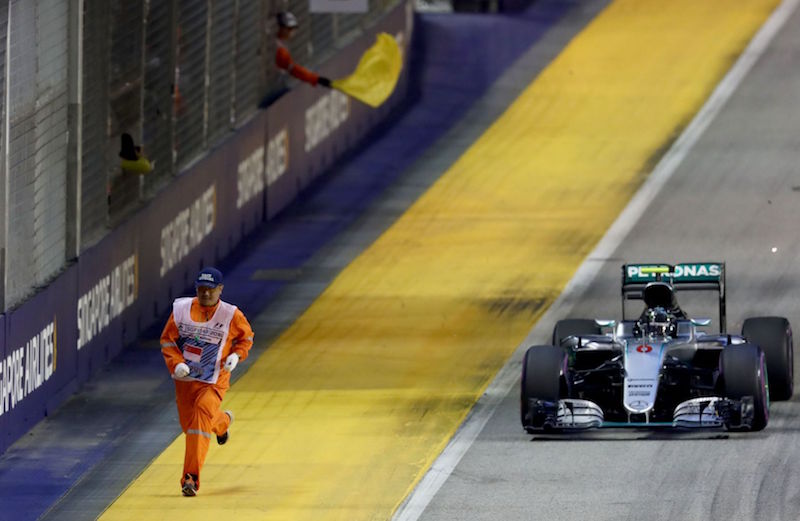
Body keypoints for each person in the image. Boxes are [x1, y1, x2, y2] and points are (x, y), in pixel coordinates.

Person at [160, 267, 254, 497]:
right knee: (190, 427)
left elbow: (246, 337)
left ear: (220, 290)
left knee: (201, 415)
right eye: (201, 290)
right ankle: (222, 422)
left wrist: (236, 355)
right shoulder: (181, 310)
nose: (205, 294)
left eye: (210, 290)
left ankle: (190, 479)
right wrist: (176, 363)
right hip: (186, 379)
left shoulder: (231, 315)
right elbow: (167, 340)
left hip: (215, 380)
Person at [275, 11, 331, 88]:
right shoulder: (280, 51)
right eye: (290, 28)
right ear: (282, 28)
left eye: (293, 29)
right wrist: (316, 79)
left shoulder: (281, 43)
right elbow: (295, 70)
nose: (292, 32)